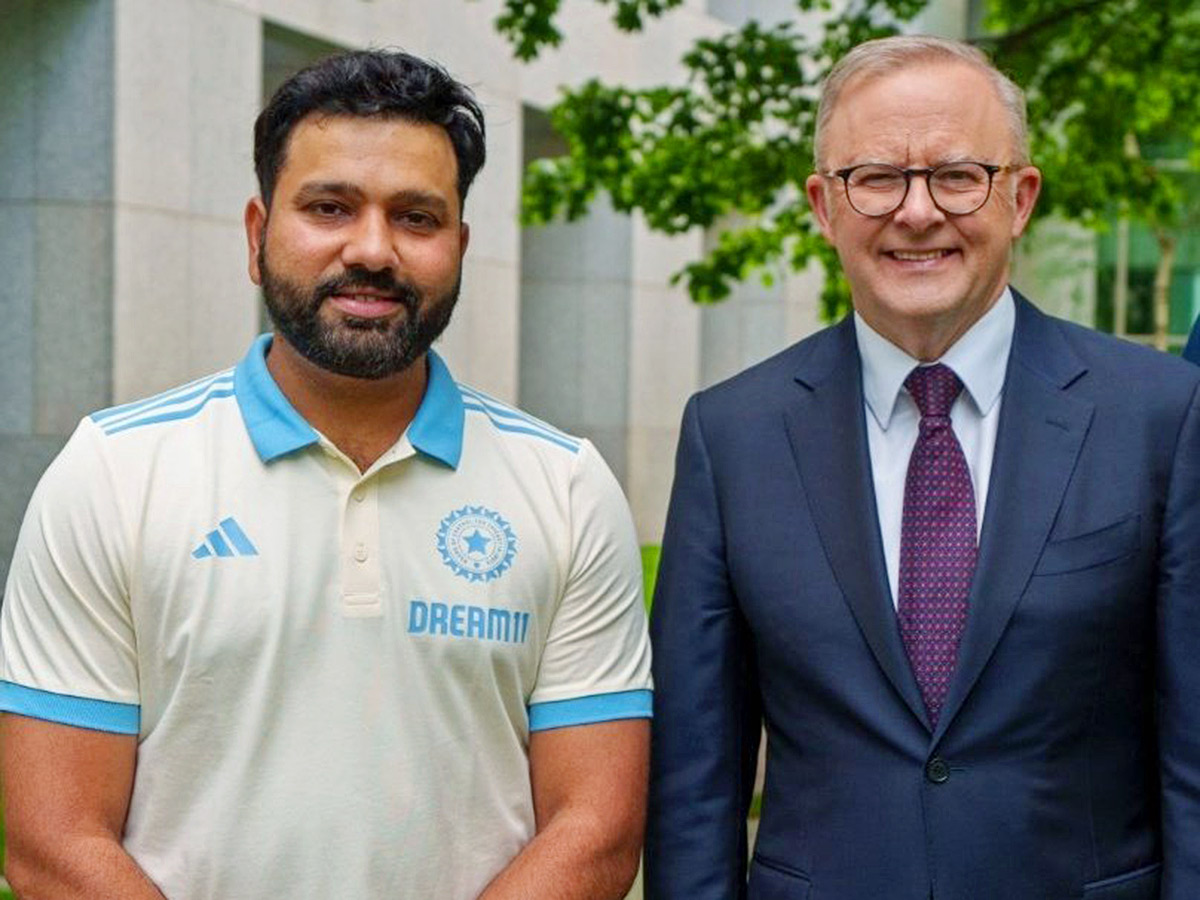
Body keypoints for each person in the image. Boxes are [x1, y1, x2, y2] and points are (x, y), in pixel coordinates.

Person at [0, 50, 651, 900]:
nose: (372, 250)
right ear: (256, 233)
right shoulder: (113, 473)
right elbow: (53, 843)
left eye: (417, 218)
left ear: (460, 245)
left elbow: (595, 832)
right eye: (329, 207)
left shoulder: (564, 487)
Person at [646, 35, 1200, 900]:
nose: (915, 212)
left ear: (1019, 198)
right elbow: (694, 778)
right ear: (823, 207)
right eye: (875, 177)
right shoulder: (732, 435)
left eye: (956, 175)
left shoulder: (1163, 417)